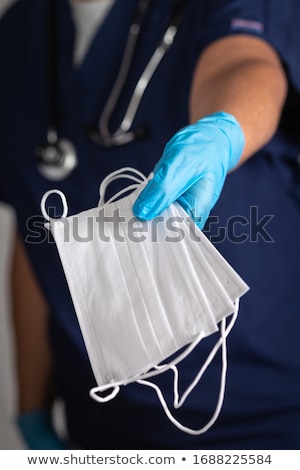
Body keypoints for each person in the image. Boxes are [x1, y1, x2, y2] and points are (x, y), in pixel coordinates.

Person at [1, 0, 300, 450]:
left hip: (265, 416)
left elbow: (244, 61)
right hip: (100, 426)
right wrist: (31, 410)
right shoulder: (20, 32)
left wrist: (224, 131)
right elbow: (35, 237)